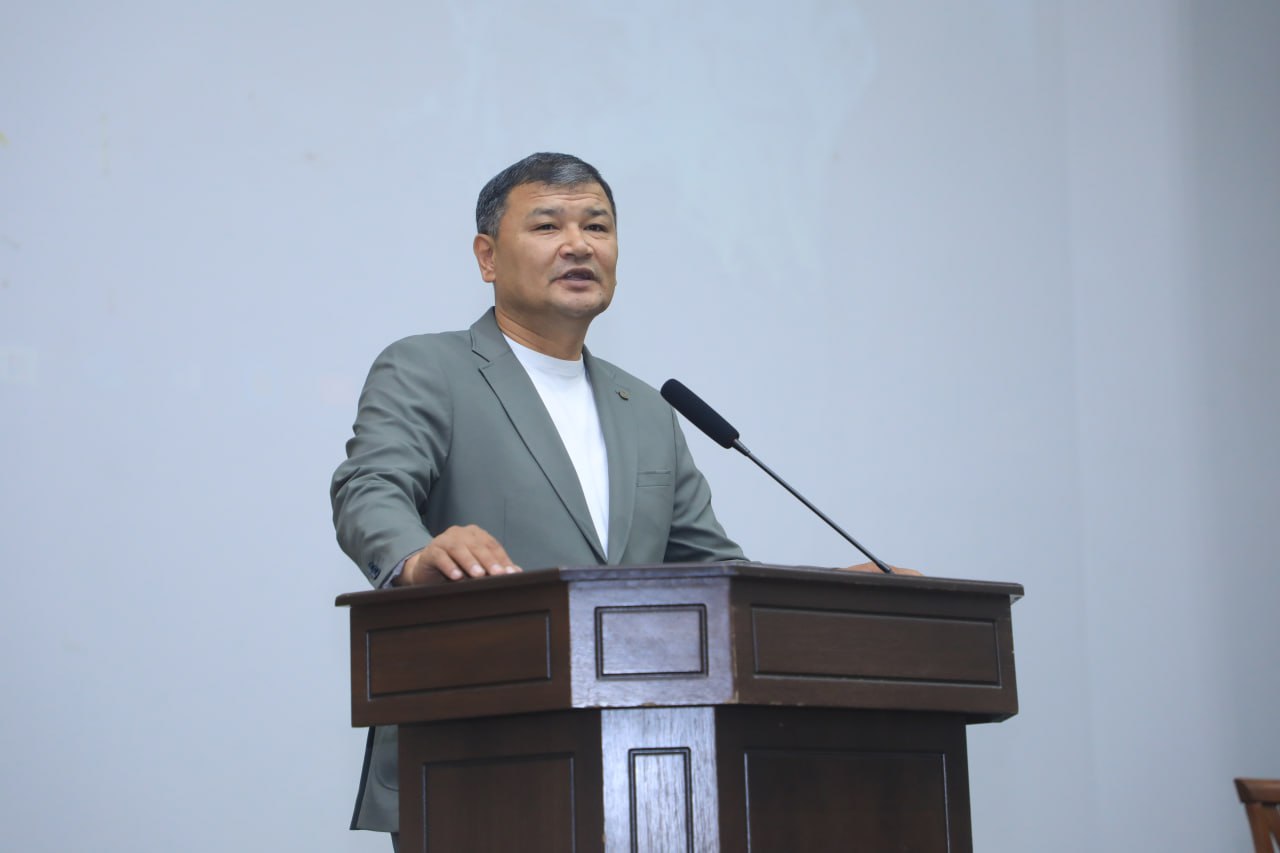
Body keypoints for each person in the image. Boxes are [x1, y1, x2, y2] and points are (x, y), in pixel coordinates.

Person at [330, 152, 745, 845]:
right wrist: (417, 557)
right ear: (487, 257)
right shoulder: (430, 367)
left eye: (597, 227)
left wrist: (830, 601)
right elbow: (368, 486)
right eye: (548, 225)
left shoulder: (647, 408)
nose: (579, 245)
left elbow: (711, 571)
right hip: (477, 761)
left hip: (643, 768)